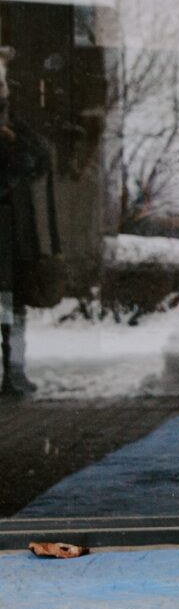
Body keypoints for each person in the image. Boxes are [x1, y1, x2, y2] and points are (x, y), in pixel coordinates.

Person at [0, 46, 61, 398]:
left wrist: (18, 150)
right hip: (9, 232)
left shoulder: (11, 123)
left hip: (13, 235)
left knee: (13, 308)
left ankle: (14, 372)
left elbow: (38, 158)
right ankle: (13, 373)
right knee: (11, 307)